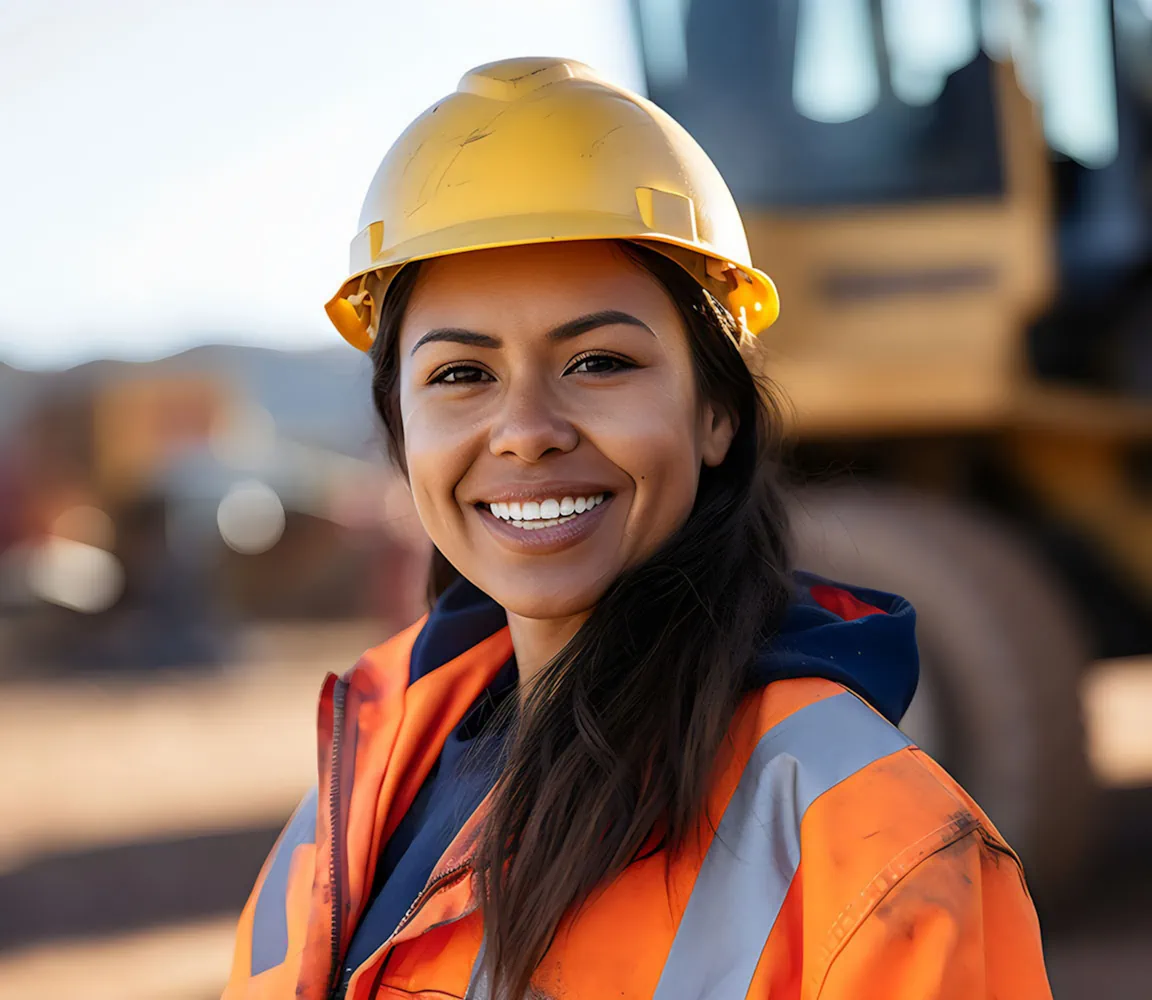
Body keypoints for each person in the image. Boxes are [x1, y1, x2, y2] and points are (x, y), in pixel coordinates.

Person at [222, 58, 1052, 1000]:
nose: (527, 430)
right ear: (400, 430)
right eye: (461, 374)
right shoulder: (363, 774)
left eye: (599, 362)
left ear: (716, 414)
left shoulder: (883, 849)